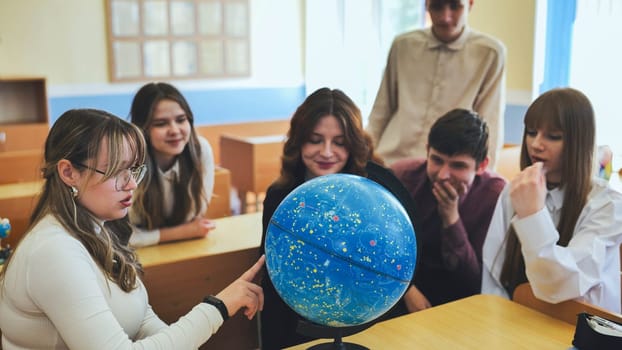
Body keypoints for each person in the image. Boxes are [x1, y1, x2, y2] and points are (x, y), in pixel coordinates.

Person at [0, 109, 264, 349]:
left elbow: (140, 318)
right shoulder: (54, 251)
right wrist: (217, 308)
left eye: (133, 170)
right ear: (69, 173)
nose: (131, 185)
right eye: (117, 172)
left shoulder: (98, 226)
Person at [259, 88, 383, 349]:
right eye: (315, 140)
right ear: (298, 142)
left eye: (339, 142)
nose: (327, 152)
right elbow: (272, 275)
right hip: (296, 328)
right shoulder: (279, 195)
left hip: (363, 327)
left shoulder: (373, 197)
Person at [482, 88, 622, 313]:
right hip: (518, 323)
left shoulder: (608, 204)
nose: (536, 144)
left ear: (579, 142)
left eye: (553, 136)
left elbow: (560, 284)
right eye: (531, 132)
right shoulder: (515, 190)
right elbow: (493, 277)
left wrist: (532, 216)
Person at [390, 109, 505, 314]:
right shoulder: (403, 177)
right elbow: (379, 247)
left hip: (463, 305)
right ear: (427, 151)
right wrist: (406, 289)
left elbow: (473, 283)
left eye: (458, 166)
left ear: (482, 166)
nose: (443, 175)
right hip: (399, 288)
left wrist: (451, 218)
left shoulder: (495, 197)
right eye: (437, 160)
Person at [367, 0, 506, 167]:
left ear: (470, 4)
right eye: (437, 6)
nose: (445, 17)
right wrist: (363, 160)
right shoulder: (403, 45)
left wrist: (482, 180)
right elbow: (381, 111)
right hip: (390, 161)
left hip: (446, 170)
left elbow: (490, 124)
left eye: (455, 6)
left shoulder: (490, 53)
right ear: (426, 4)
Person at [128, 82, 216, 247]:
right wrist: (182, 232)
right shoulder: (128, 162)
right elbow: (120, 236)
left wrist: (186, 230)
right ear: (143, 129)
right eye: (161, 124)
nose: (175, 130)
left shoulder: (200, 150)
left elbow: (194, 214)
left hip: (181, 249)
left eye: (181, 120)